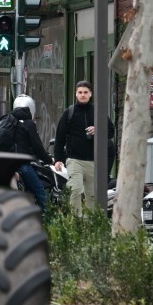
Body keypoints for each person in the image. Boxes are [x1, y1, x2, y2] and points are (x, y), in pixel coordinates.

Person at [54, 80, 115, 213]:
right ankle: (76, 221)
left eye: (85, 92)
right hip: (74, 159)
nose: (83, 95)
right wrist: (58, 159)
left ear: (90, 94)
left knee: (92, 195)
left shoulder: (98, 111)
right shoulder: (69, 113)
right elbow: (60, 137)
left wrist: (98, 129)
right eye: (80, 92)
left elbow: (111, 131)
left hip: (94, 161)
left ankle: (88, 226)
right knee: (75, 189)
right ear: (76, 94)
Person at [0, 94, 51, 210]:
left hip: (6, 165)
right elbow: (37, 147)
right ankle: (47, 222)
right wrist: (50, 160)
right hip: (22, 165)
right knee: (41, 194)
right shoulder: (28, 124)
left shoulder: (8, 121)